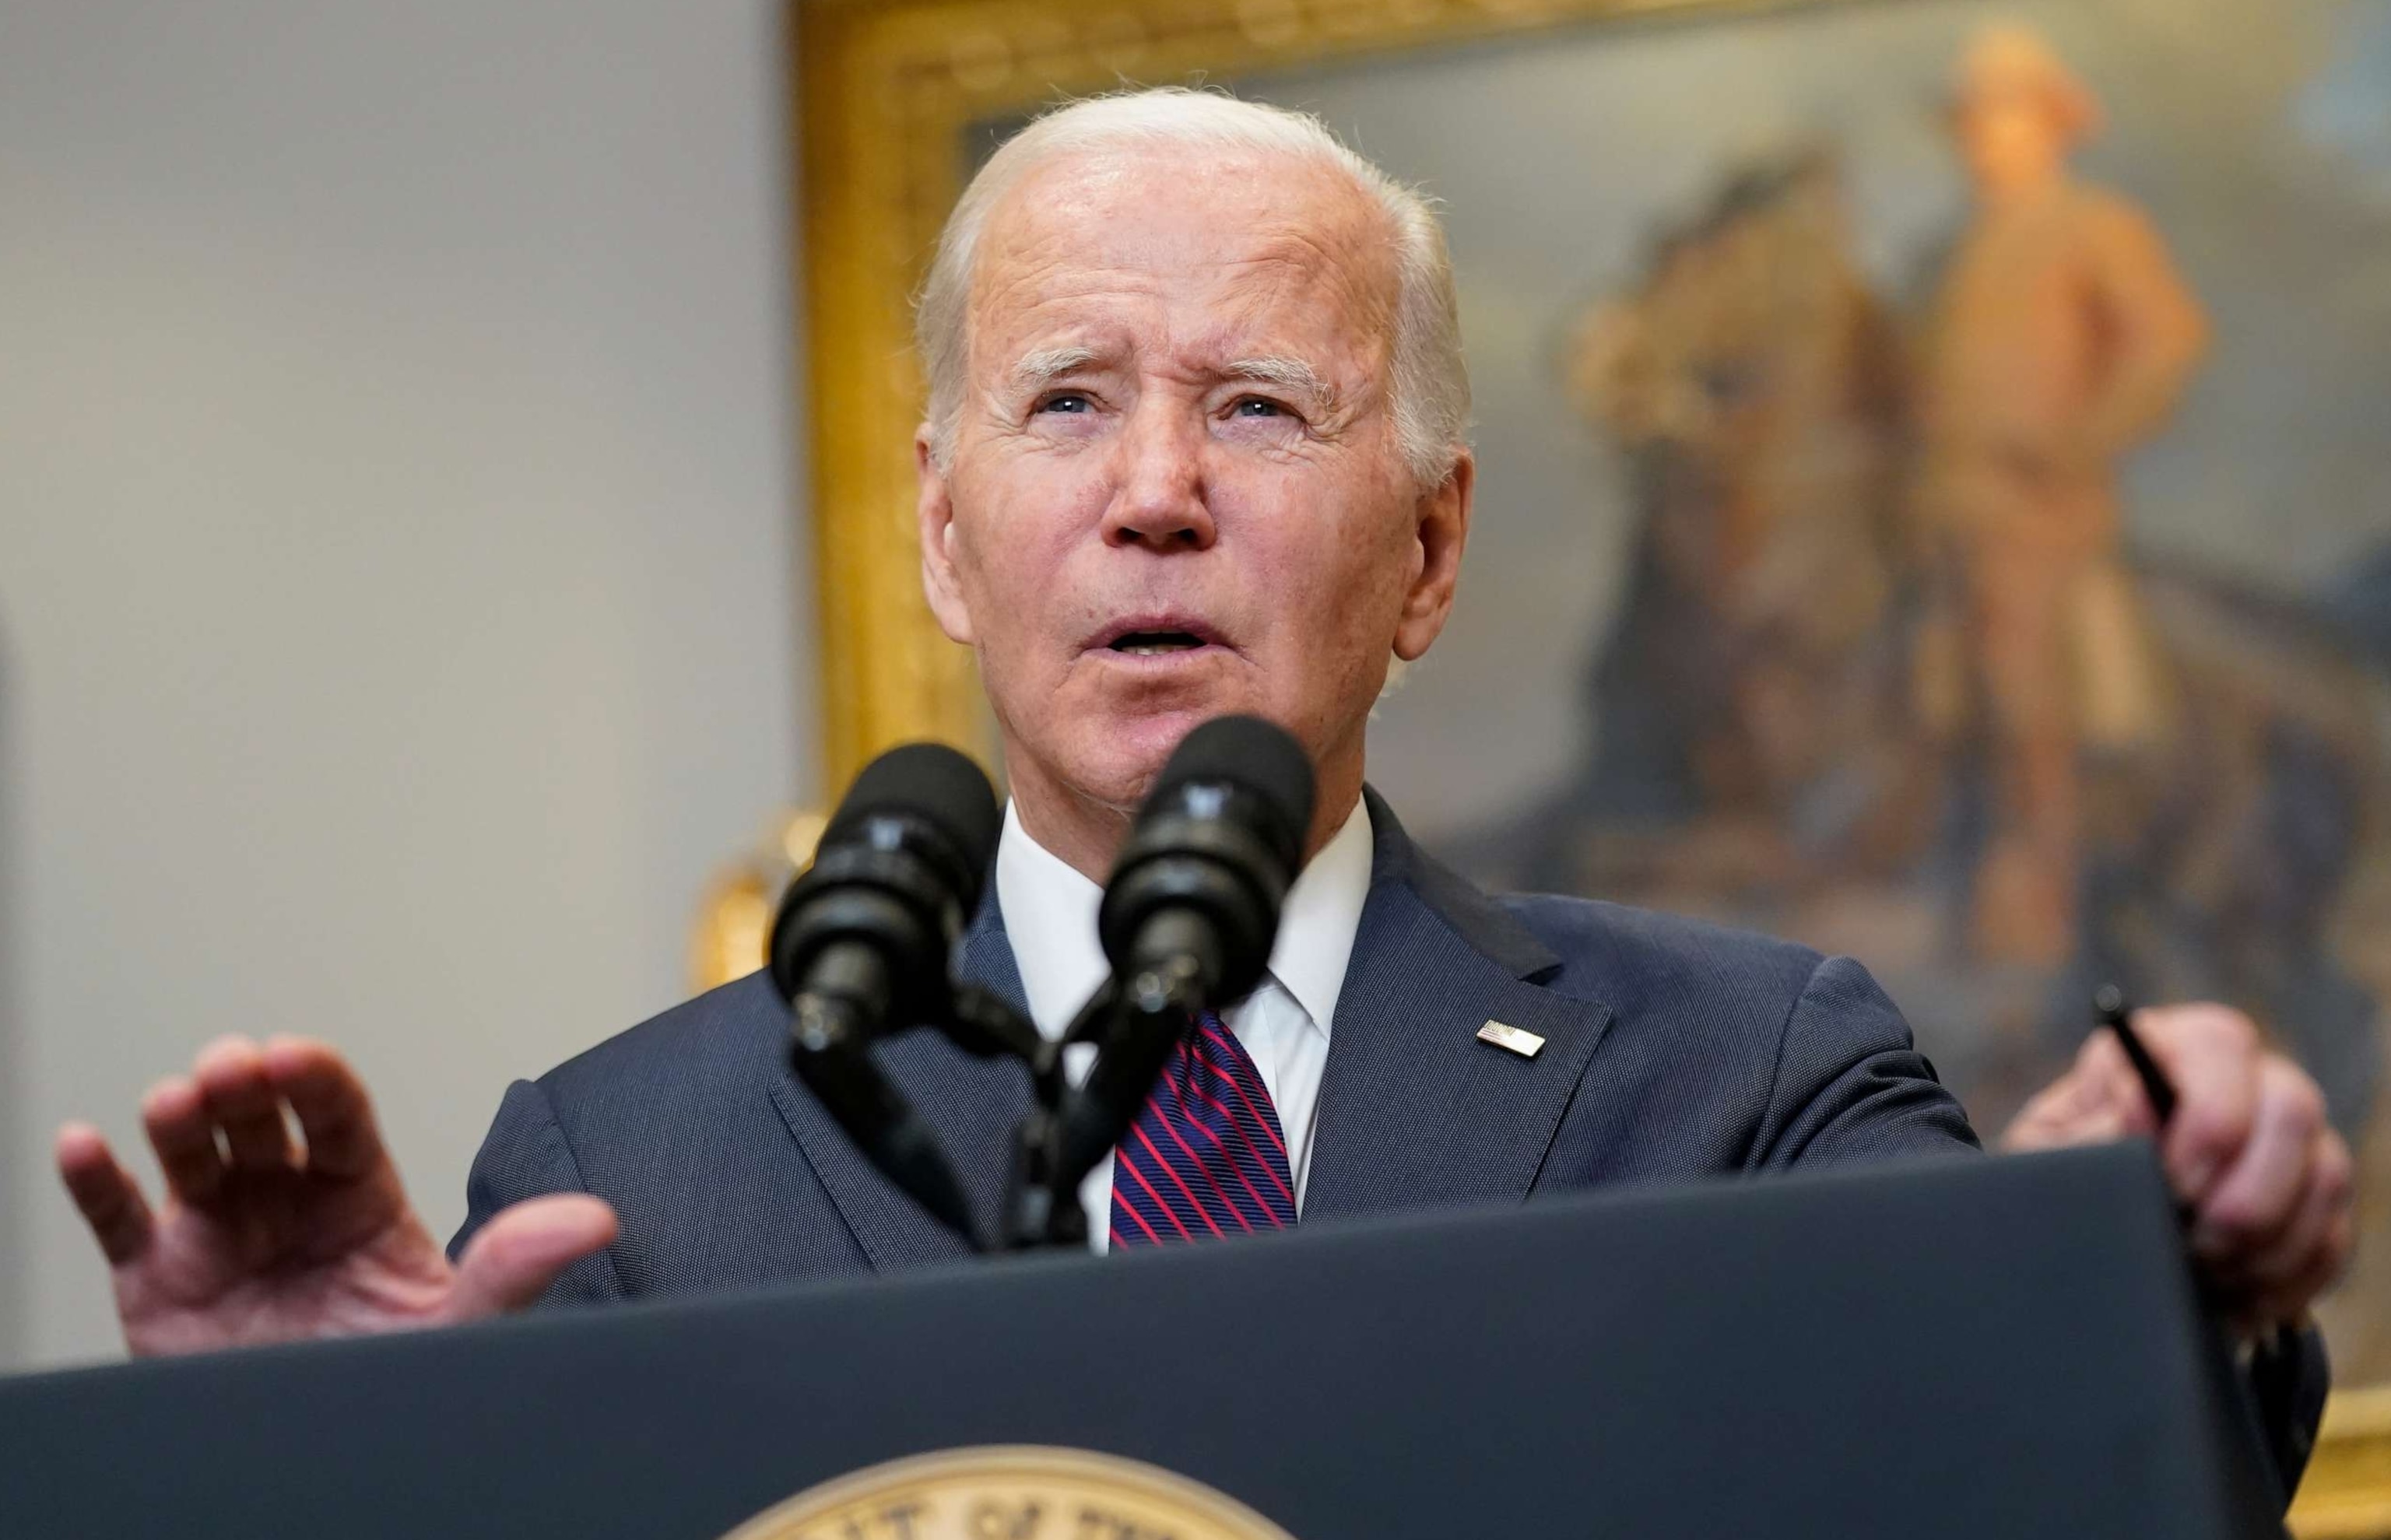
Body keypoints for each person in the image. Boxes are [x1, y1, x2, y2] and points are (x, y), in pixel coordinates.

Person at [53, 90, 2347, 1441]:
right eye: (1068, 401)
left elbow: (2018, 1476)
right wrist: (294, 1466)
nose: (1156, 489)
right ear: (951, 535)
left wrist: (2144, 1271)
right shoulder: (629, 1161)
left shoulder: (1750, 1078)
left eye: (1258, 403)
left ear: (1430, 543)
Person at [1915, 26, 2210, 968]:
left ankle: (2044, 900)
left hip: (2039, 517)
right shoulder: (1957, 252)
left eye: (2007, 115)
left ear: (2052, 126)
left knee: (2023, 685)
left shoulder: (2093, 225)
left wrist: (2076, 439)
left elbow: (2167, 338)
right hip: (1947, 512)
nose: (1987, 136)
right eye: (1976, 119)